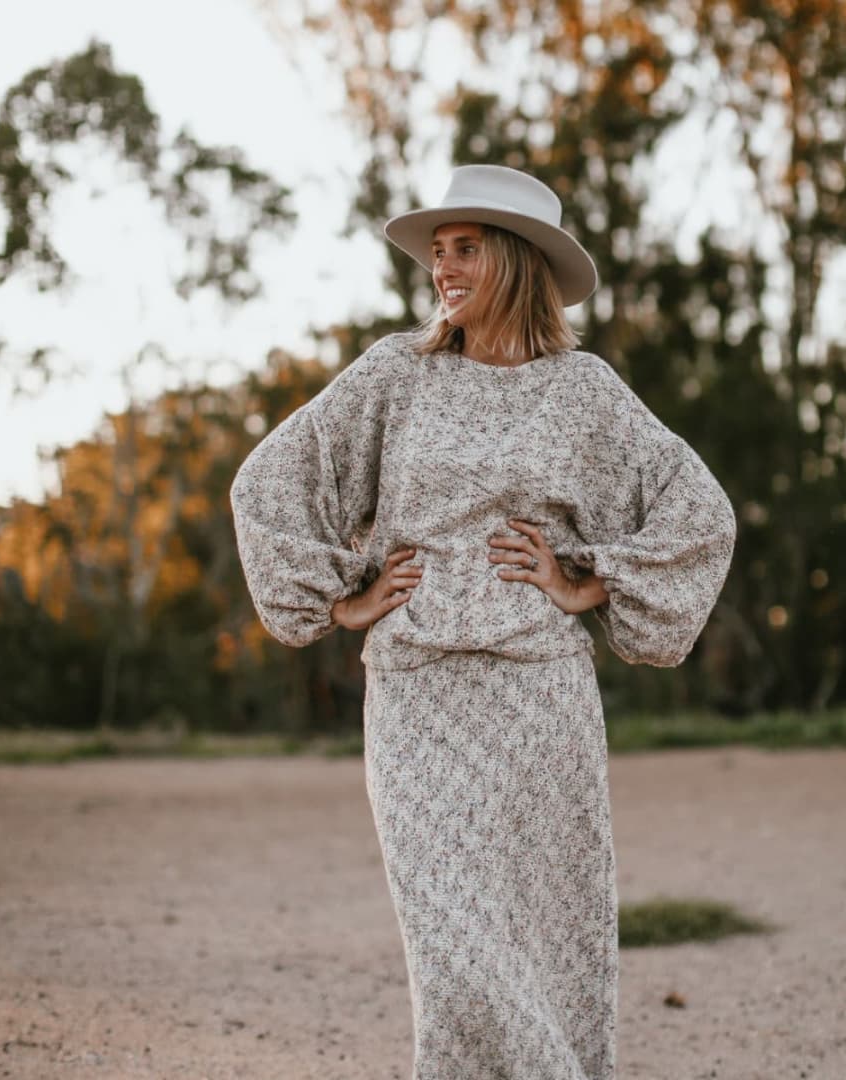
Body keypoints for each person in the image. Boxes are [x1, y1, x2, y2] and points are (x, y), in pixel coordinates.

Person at [230, 164, 736, 1080]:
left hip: (540, 700)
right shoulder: (396, 374)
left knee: (549, 944)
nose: (443, 268)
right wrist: (341, 599)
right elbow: (268, 482)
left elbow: (700, 514)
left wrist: (591, 582)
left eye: (465, 249)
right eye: (437, 252)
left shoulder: (585, 392)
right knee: (456, 955)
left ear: (514, 259)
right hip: (419, 698)